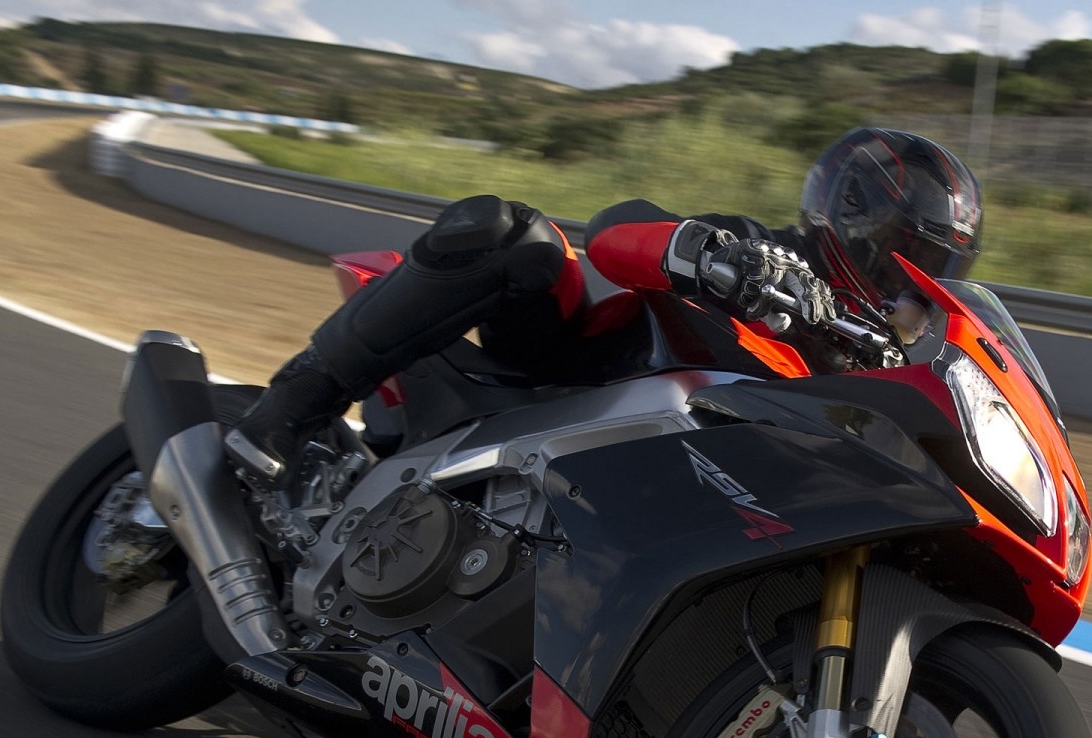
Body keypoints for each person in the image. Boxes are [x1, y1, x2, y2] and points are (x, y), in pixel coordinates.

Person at [224, 128, 983, 487]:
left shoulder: (873, 360)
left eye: (935, 271)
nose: (911, 284)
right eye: (907, 256)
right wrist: (722, 260)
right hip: (565, 377)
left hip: (671, 489)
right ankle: (288, 408)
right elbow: (617, 233)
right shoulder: (765, 255)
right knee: (515, 236)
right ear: (857, 221)